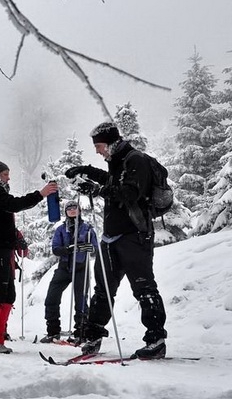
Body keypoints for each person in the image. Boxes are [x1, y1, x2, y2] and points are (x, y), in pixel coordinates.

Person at [65, 122, 168, 359]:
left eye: (99, 146)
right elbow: (112, 181)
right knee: (102, 289)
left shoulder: (136, 160)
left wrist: (96, 190)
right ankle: (93, 336)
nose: (98, 151)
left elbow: (130, 193)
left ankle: (156, 340)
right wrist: (87, 170)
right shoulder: (116, 162)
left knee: (144, 287)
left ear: (111, 143)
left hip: (135, 235)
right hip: (111, 237)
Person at [0, 160, 58, 353]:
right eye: (4, 174)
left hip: (3, 249)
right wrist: (40, 194)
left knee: (7, 295)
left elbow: (3, 216)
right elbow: (13, 204)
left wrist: (16, 239)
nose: (8, 177)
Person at [40, 200, 98, 344]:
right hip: (64, 267)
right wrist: (68, 249)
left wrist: (86, 248)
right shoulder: (61, 229)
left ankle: (81, 331)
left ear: (79, 210)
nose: (72, 210)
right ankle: (53, 331)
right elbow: (55, 248)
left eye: (75, 208)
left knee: (81, 300)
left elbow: (95, 248)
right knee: (51, 297)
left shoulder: (88, 228)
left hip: (81, 267)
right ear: (65, 212)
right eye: (69, 209)